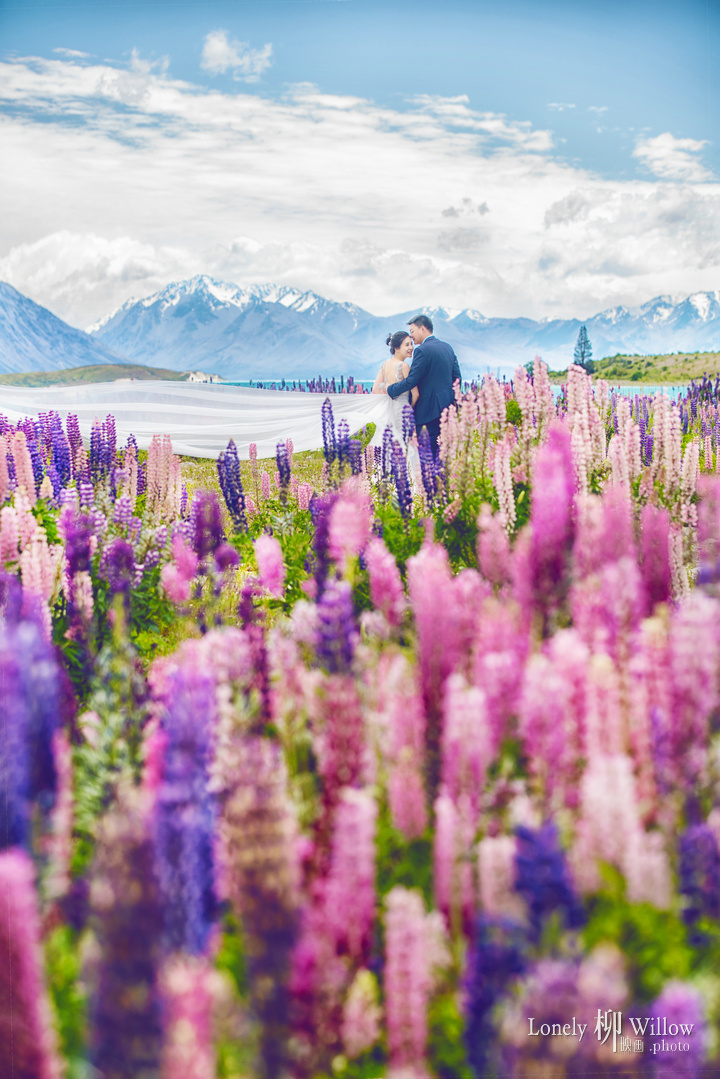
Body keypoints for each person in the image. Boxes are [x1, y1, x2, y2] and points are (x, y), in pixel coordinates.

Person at [386, 314, 461, 459]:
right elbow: (457, 379)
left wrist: (390, 390)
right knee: (444, 453)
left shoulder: (422, 350)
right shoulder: (448, 348)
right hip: (447, 410)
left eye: (412, 331)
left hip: (427, 414)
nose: (411, 336)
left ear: (422, 329)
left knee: (427, 456)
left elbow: (412, 381)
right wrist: (453, 403)